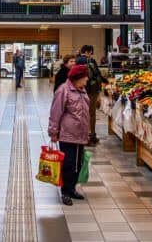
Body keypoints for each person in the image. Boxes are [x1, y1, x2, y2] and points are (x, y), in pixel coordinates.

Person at [48, 64, 90, 206]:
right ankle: (65, 191)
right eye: (85, 77)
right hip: (67, 134)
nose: (87, 79)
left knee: (78, 163)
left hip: (81, 134)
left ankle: (72, 188)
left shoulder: (82, 90)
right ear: (77, 78)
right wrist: (53, 132)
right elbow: (55, 113)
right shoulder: (63, 90)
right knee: (68, 164)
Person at [81, 45, 107, 146]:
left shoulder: (76, 60)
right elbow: (97, 74)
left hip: (80, 90)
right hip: (91, 90)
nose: (91, 54)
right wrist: (105, 81)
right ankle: (91, 136)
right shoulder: (90, 61)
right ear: (88, 52)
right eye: (91, 52)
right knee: (91, 113)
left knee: (81, 113)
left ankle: (82, 136)